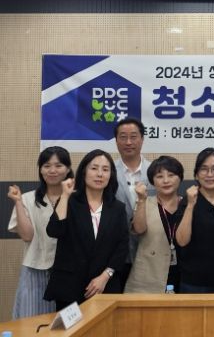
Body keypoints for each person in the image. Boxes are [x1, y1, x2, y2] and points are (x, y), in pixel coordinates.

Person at [44, 149, 129, 309]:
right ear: (84, 172)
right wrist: (65, 195)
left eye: (105, 169)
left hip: (104, 286)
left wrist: (105, 276)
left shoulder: (117, 208)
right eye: (94, 168)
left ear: (111, 175)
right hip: (70, 286)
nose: (100, 174)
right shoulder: (70, 201)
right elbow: (54, 231)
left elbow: (122, 246)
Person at [7, 147, 73, 319]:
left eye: (58, 165)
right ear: (40, 170)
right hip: (35, 268)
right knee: (30, 321)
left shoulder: (77, 199)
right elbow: (27, 236)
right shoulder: (27, 198)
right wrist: (18, 202)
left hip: (69, 272)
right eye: (46, 166)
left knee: (67, 324)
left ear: (68, 169)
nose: (52, 170)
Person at [175, 148, 214, 293]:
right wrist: (190, 205)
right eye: (204, 169)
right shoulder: (187, 202)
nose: (209, 174)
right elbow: (182, 241)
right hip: (193, 284)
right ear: (196, 174)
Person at [125, 155, 185, 293]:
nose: (166, 180)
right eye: (159, 176)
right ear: (152, 181)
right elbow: (139, 229)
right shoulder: (144, 203)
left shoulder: (187, 204)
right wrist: (141, 200)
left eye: (171, 175)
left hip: (182, 275)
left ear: (180, 178)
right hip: (148, 277)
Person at [113, 117, 154, 289]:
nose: (128, 142)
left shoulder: (155, 172)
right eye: (123, 137)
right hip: (115, 254)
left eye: (134, 136)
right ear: (116, 141)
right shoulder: (107, 172)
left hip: (149, 252)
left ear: (142, 139)